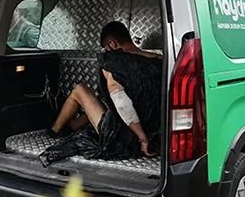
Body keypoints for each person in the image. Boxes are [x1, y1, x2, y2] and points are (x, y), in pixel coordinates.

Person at [39, 21, 162, 166]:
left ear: (112, 44)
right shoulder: (159, 60)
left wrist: (143, 139)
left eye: (106, 48)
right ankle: (72, 126)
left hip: (121, 138)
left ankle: (55, 130)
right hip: (154, 132)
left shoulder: (113, 61)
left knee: (79, 90)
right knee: (102, 100)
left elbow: (122, 105)